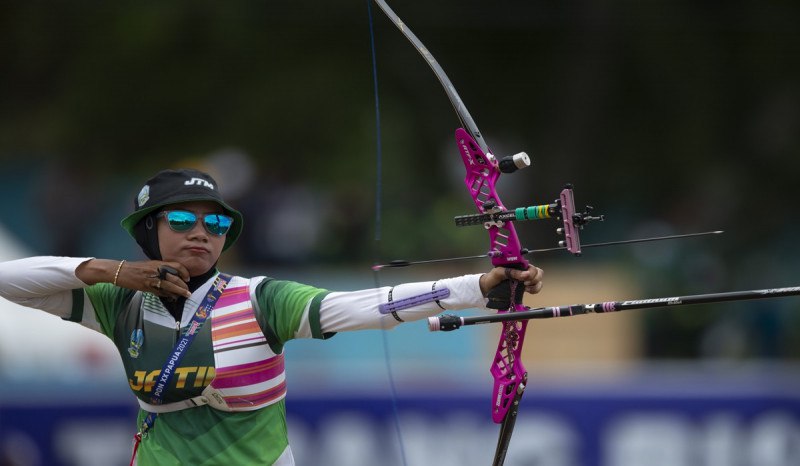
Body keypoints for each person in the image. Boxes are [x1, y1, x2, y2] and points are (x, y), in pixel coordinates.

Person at [0, 168, 544, 465]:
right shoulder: (117, 302)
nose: (200, 231)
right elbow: (8, 281)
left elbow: (362, 308)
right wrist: (108, 271)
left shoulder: (260, 299)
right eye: (183, 218)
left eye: (215, 223)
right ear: (150, 231)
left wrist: (477, 287)